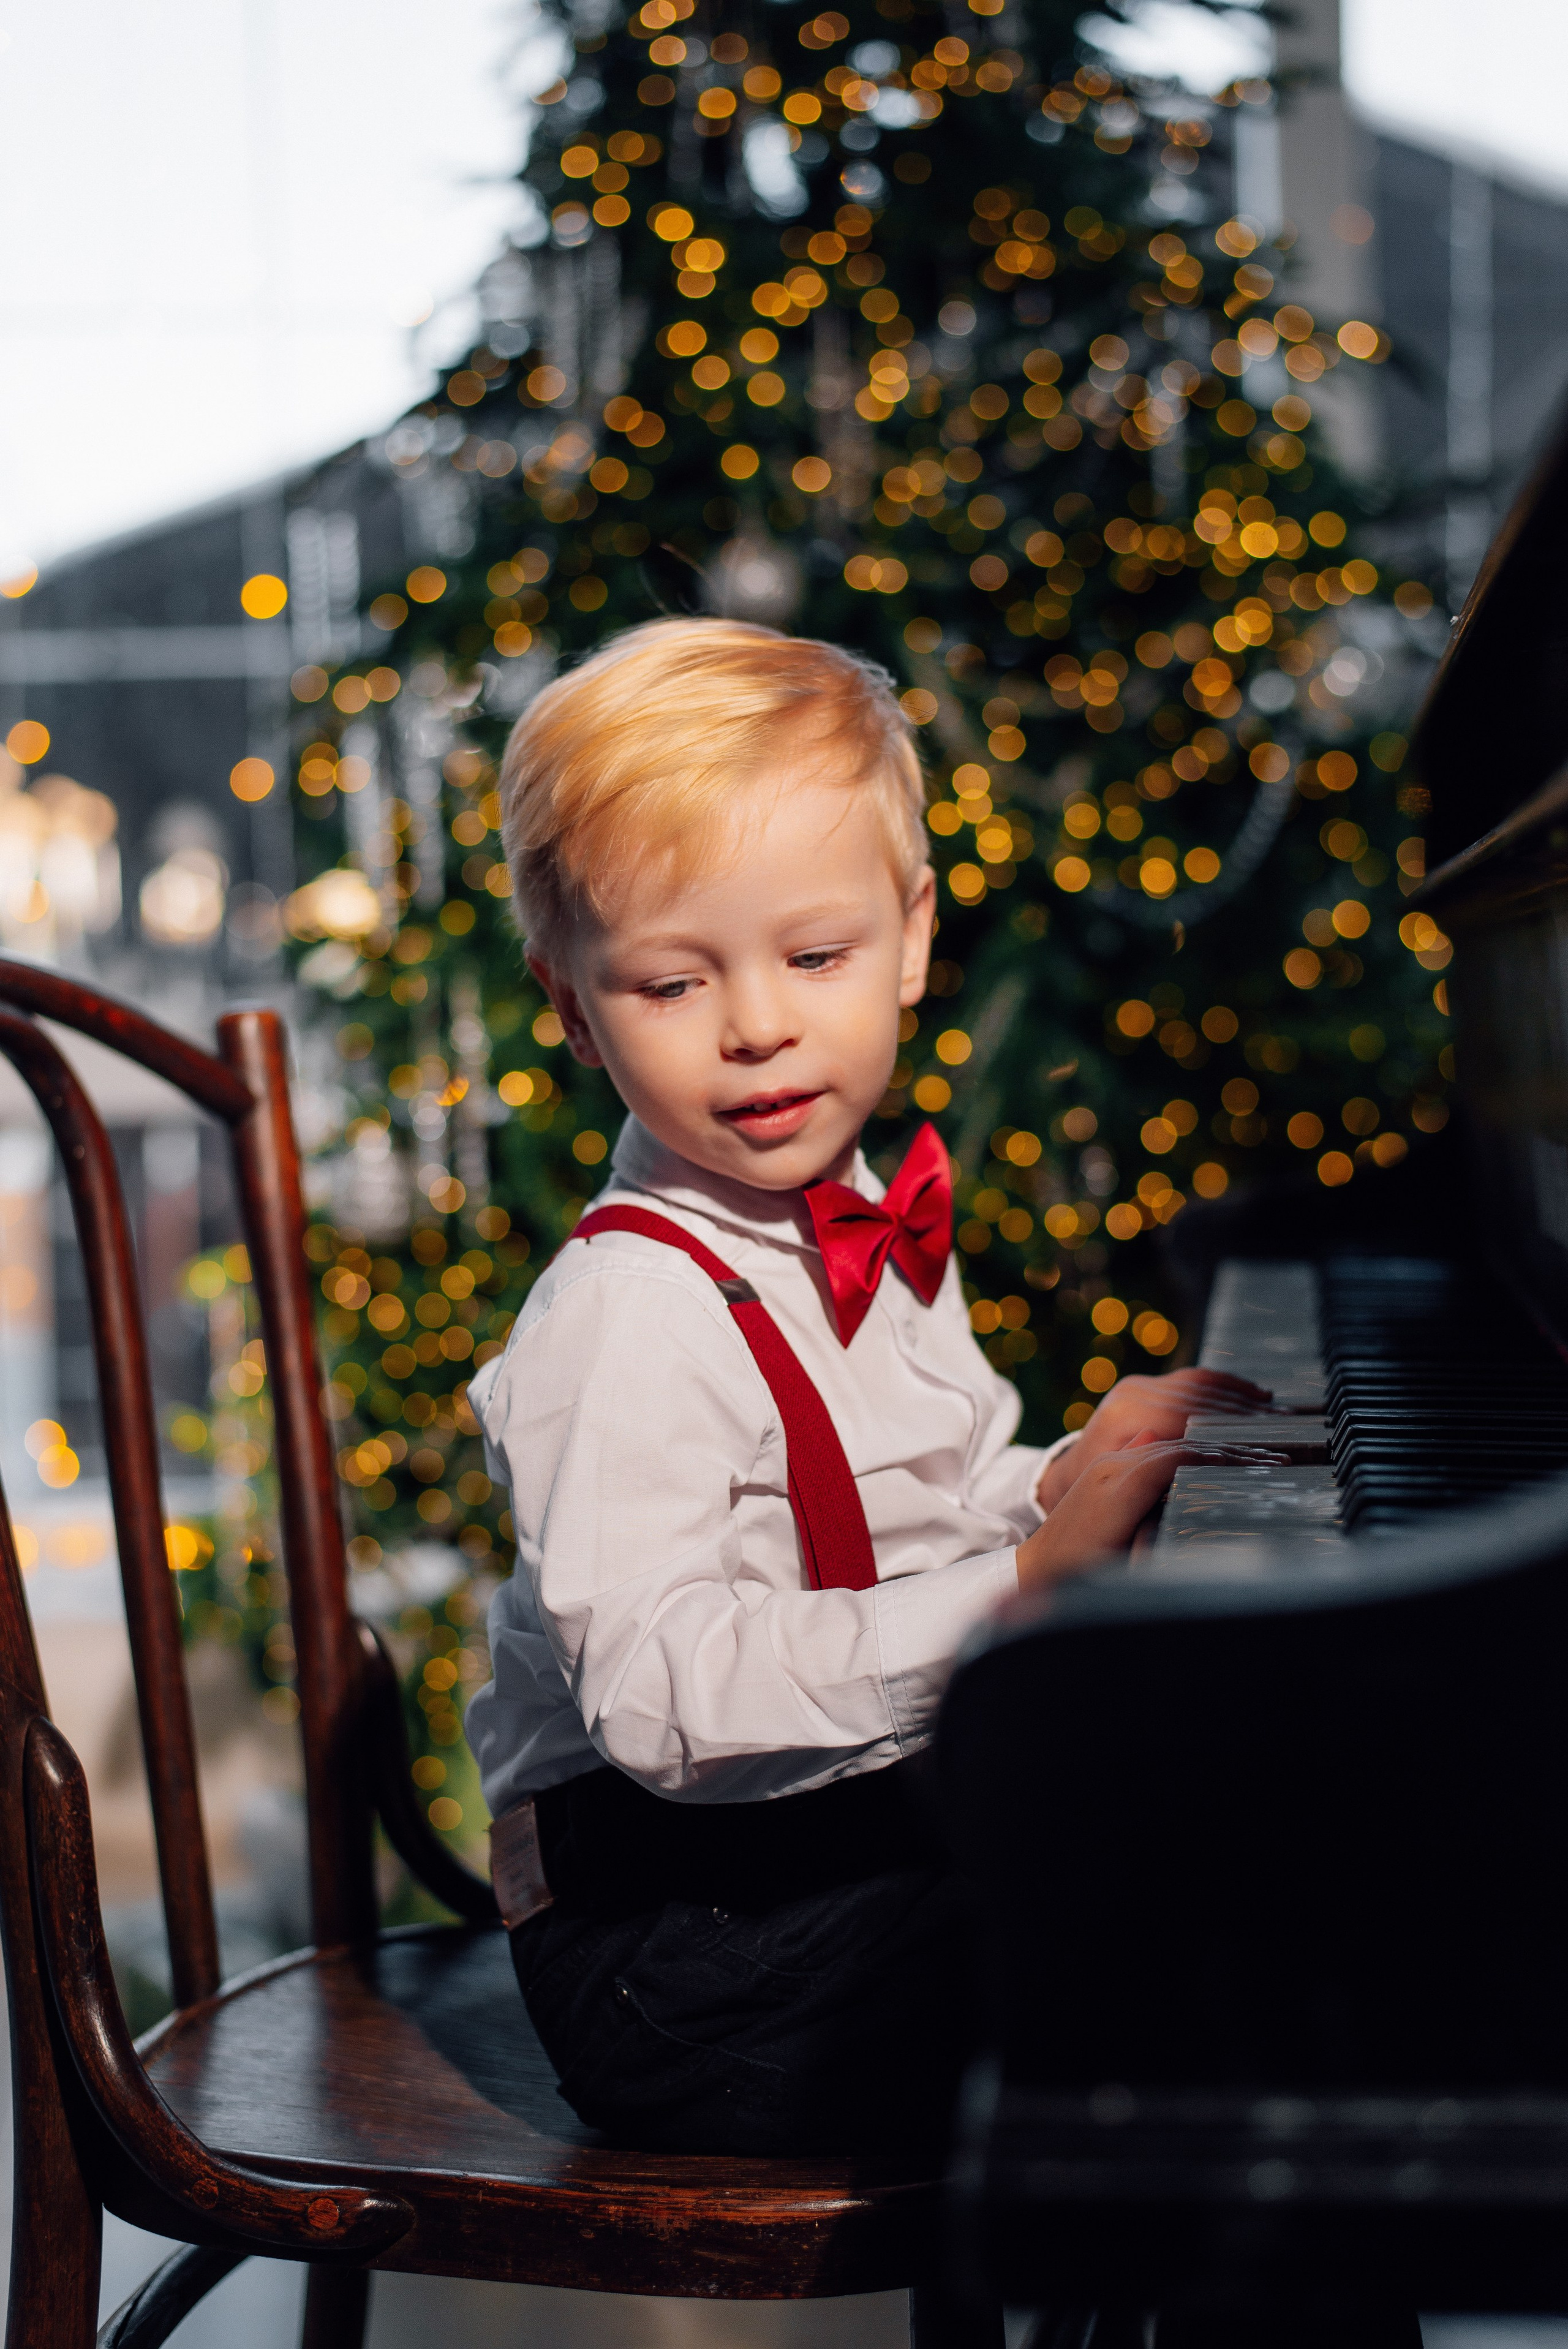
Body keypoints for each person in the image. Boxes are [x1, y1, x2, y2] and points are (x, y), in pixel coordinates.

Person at [464, 617, 1268, 2157]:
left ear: (907, 938)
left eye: (813, 955)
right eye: (669, 982)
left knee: (1223, 1879)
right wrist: (1023, 1585)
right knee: (1215, 1965)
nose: (758, 1023)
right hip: (670, 1954)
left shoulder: (868, 1204)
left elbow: (929, 1475)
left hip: (830, 1860)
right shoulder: (625, 1313)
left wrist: (1047, 1480)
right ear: (571, 1008)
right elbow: (662, 1700)